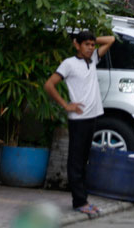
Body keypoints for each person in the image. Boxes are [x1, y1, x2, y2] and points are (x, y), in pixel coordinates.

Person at [44, 31, 115, 216]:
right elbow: (49, 85)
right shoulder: (69, 64)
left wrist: (91, 40)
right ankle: (79, 201)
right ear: (77, 45)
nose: (91, 48)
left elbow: (111, 40)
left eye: (92, 45)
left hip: (92, 116)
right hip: (79, 119)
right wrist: (65, 105)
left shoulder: (93, 60)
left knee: (84, 160)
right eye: (87, 45)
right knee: (75, 161)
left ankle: (82, 199)